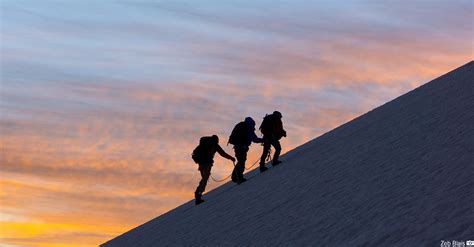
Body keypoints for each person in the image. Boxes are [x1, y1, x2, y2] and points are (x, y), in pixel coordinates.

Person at [192, 135, 235, 205]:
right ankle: (198, 194)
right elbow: (223, 153)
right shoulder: (215, 145)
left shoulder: (203, 144)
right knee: (205, 179)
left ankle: (198, 194)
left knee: (204, 178)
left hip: (200, 163)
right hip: (207, 163)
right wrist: (231, 158)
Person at [228, 117, 263, 184]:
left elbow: (253, 138)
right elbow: (254, 139)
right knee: (241, 161)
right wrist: (262, 140)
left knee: (241, 161)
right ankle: (238, 177)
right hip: (241, 147)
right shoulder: (247, 129)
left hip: (238, 147)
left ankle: (235, 176)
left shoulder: (242, 127)